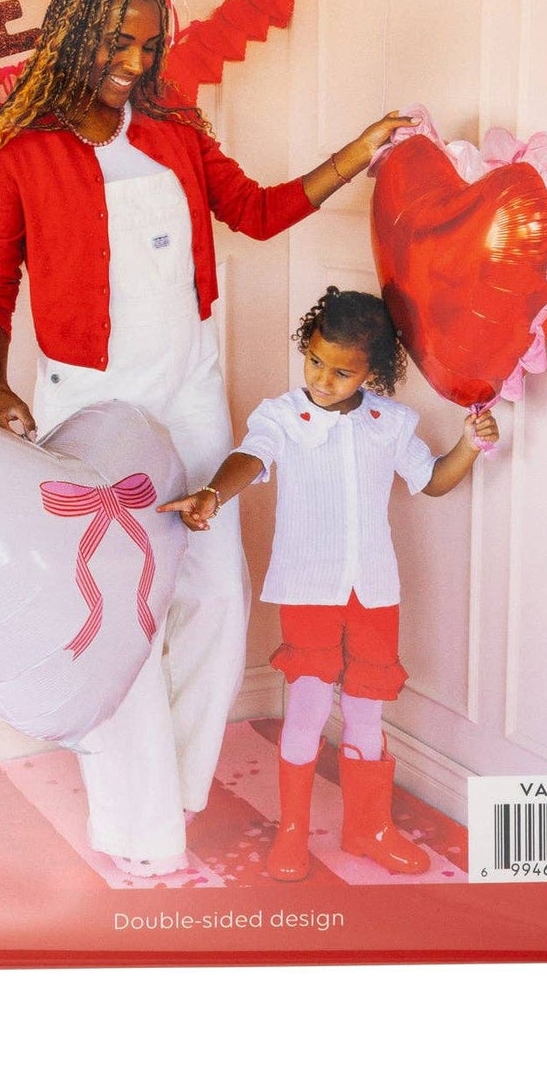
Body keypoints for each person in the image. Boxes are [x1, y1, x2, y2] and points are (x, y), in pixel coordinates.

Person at [0, 0, 409, 875]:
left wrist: (356, 154)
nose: (133, 62)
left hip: (191, 397)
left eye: (147, 44)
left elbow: (257, 211)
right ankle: (137, 827)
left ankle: (177, 792)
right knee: (121, 616)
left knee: (214, 597)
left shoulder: (175, 135)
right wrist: (0, 390)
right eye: (116, 42)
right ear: (73, 34)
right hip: (91, 407)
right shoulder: (21, 159)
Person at [160, 286, 497, 879]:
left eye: (342, 372)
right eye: (315, 361)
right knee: (309, 706)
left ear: (374, 372)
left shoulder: (390, 423)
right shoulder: (281, 417)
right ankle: (292, 832)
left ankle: (368, 828)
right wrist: (213, 493)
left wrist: (471, 444)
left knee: (366, 713)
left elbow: (434, 480)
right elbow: (252, 458)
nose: (322, 378)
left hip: (374, 592)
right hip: (308, 590)